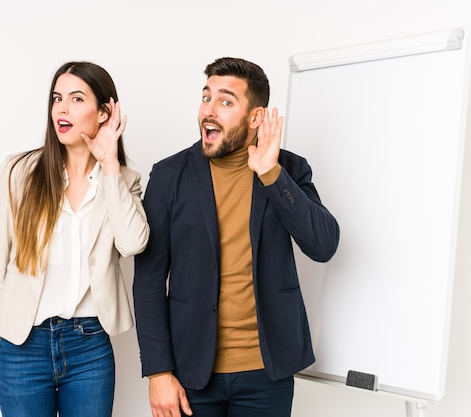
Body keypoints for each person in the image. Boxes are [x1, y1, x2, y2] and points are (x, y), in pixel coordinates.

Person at [132, 57, 340, 417]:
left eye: (225, 102)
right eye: (206, 97)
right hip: (190, 373)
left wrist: (271, 174)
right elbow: (148, 280)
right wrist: (158, 371)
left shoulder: (288, 168)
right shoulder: (168, 176)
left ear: (255, 117)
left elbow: (323, 245)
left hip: (267, 371)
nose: (209, 111)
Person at [0, 61, 149, 417]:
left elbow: (133, 243)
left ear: (105, 112)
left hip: (89, 346)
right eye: (58, 98)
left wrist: (109, 166)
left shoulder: (122, 179)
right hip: (23, 344)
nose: (62, 108)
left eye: (76, 98)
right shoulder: (19, 171)